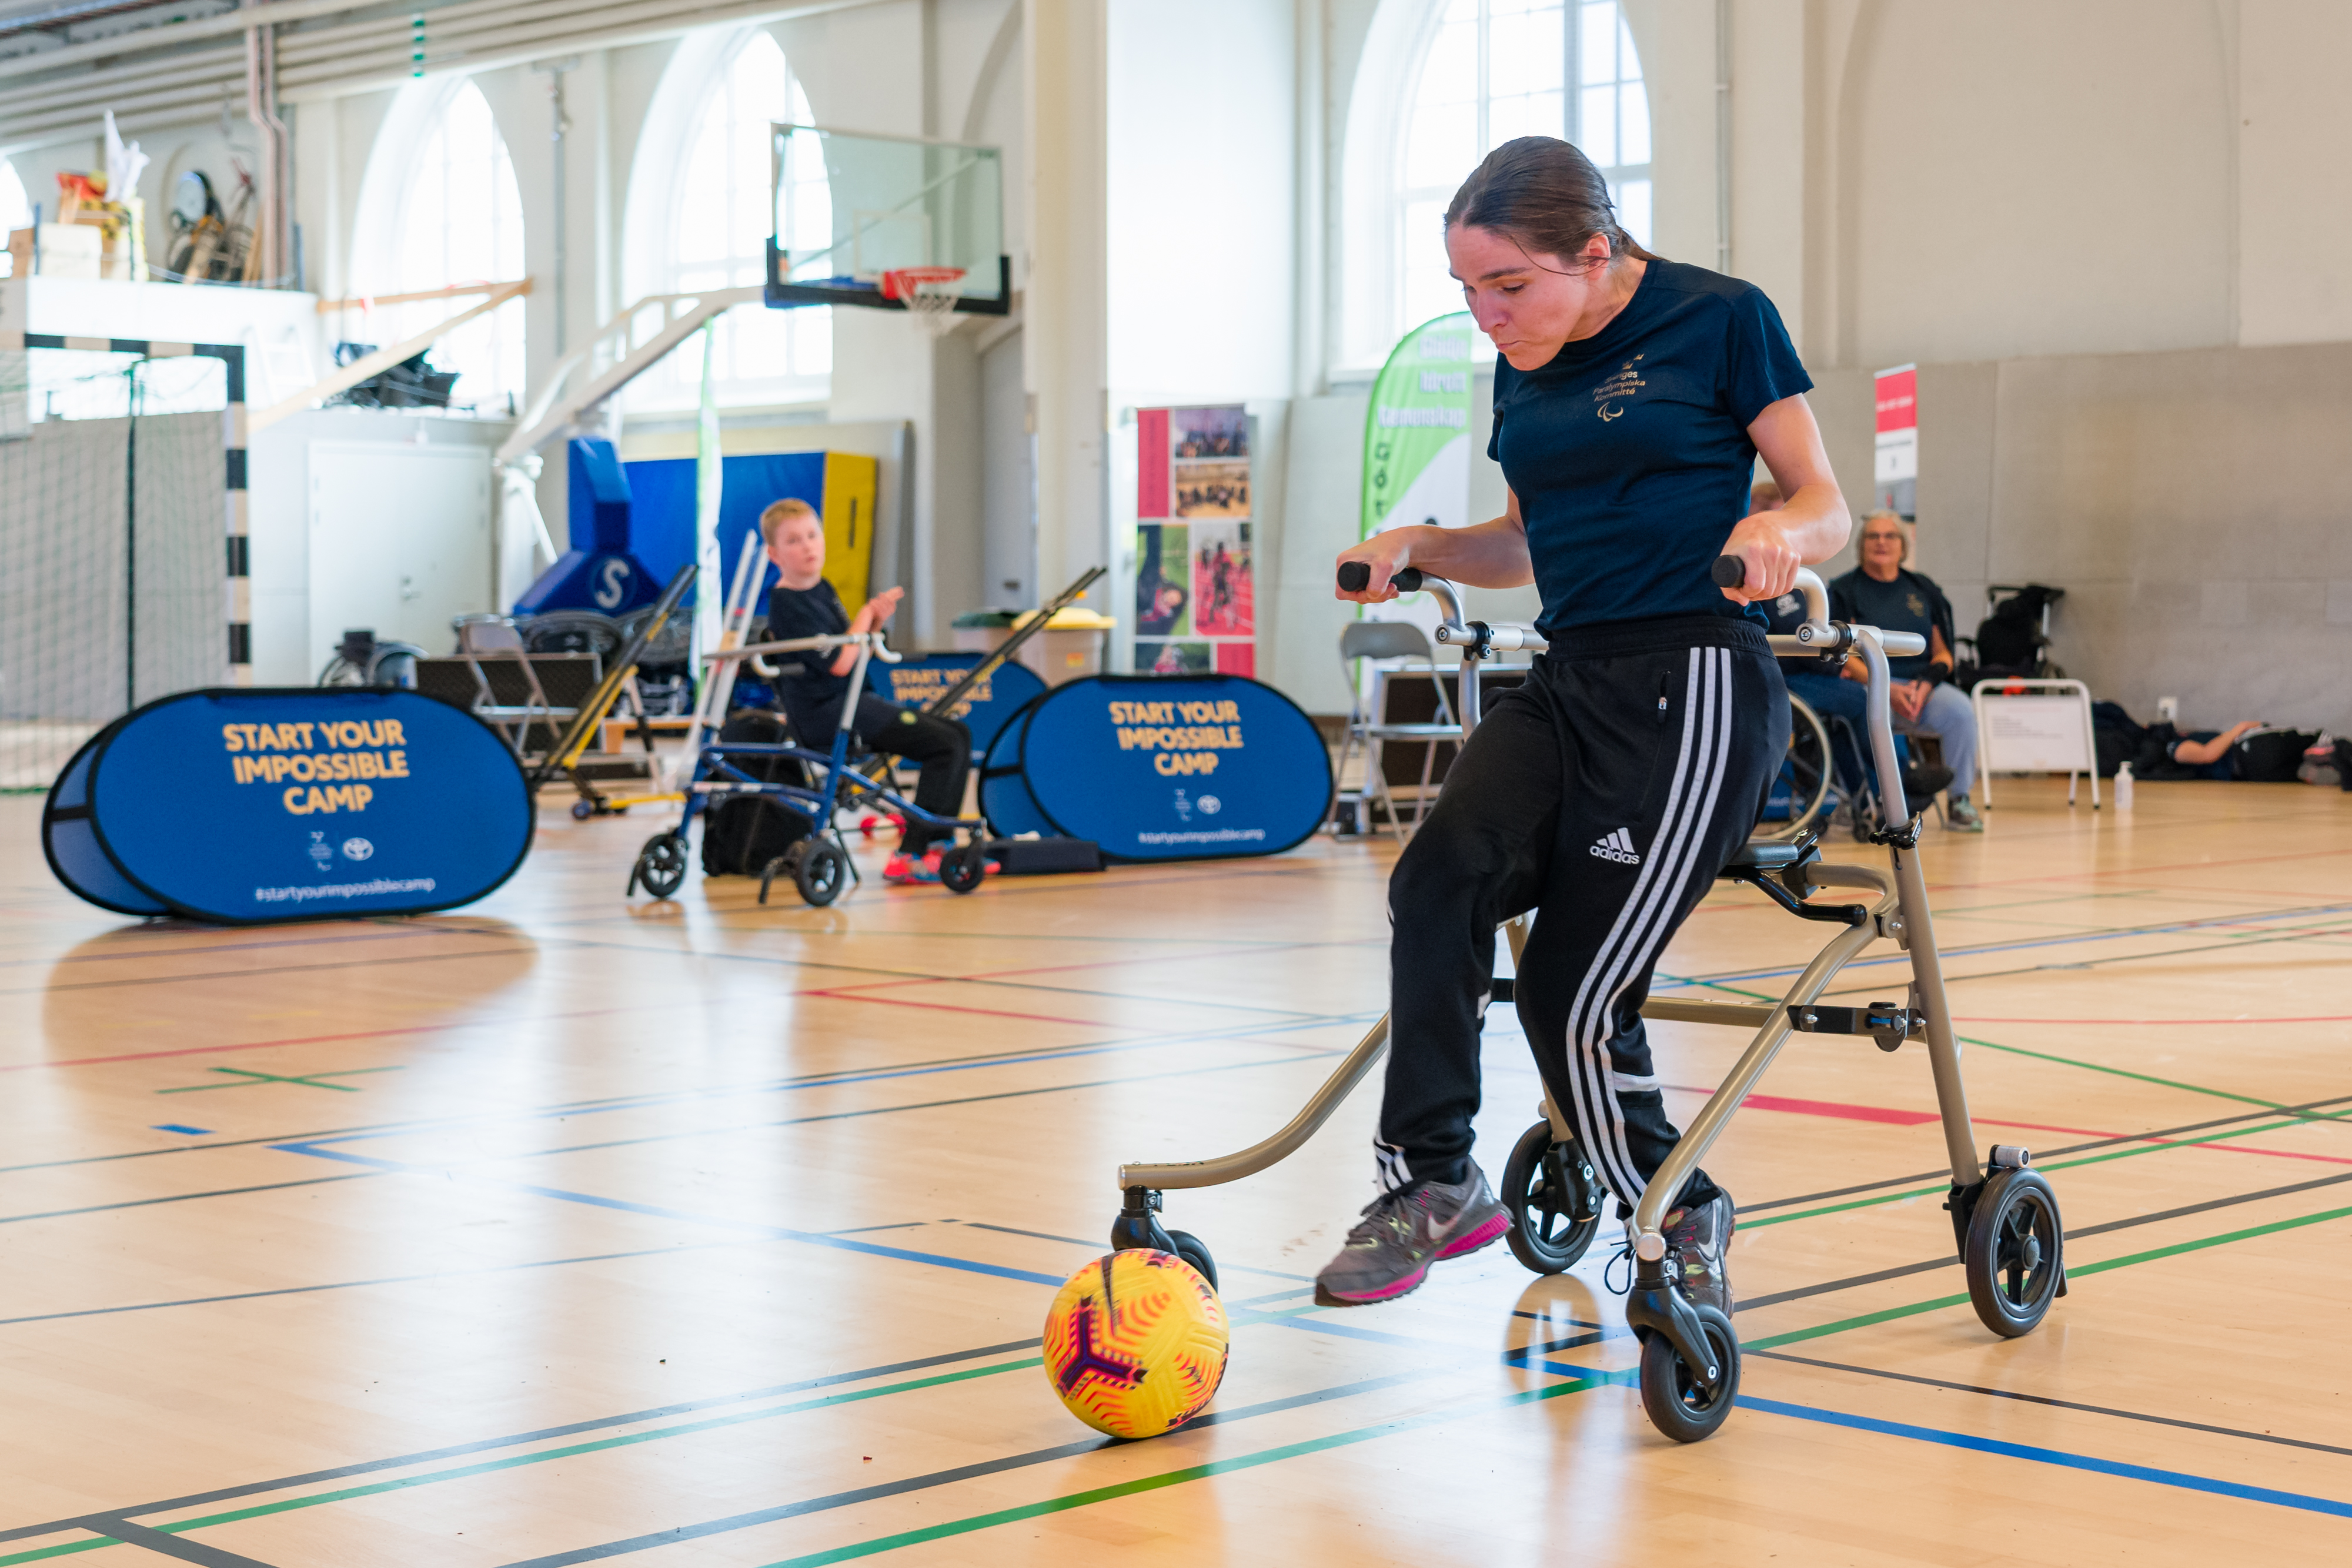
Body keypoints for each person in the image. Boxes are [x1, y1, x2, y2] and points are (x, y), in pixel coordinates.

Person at [1321, 136, 1849, 1313]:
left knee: (1569, 984)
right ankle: (1430, 1179)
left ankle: (1678, 1207)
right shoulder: (1523, 360)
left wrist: (1779, 537)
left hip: (1696, 684)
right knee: (1437, 878)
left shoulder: (1720, 319)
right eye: (1465, 291)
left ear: (1594, 252)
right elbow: (1520, 544)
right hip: (1569, 678)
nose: (1485, 316)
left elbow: (1825, 502)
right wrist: (1415, 546)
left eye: (1505, 286)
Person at [759, 498, 973, 884]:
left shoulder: (822, 589)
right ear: (774, 554)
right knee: (943, 743)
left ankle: (937, 844)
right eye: (794, 541)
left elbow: (855, 653)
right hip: (828, 712)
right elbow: (840, 662)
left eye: (812, 535)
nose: (808, 546)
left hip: (854, 701)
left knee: (957, 734)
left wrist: (874, 624)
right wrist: (864, 618)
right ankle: (913, 853)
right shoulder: (787, 604)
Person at [1828, 512, 1983, 831]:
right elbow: (1842, 654)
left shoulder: (1923, 589)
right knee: (1871, 708)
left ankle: (1959, 800)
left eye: (1890, 536)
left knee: (1960, 712)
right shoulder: (1845, 590)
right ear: (1861, 545)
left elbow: (1943, 653)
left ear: (1903, 545)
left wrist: (1925, 685)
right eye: (1873, 536)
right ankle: (1893, 798)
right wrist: (1887, 687)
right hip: (1871, 683)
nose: (1881, 542)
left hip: (1919, 687)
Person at [1751, 483, 1871, 801]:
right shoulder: (1765, 576)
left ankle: (1866, 793)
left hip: (1805, 674)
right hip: (1778, 678)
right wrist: (1838, 669)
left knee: (1847, 701)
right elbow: (1803, 640)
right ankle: (1880, 788)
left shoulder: (1796, 573)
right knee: (1857, 699)